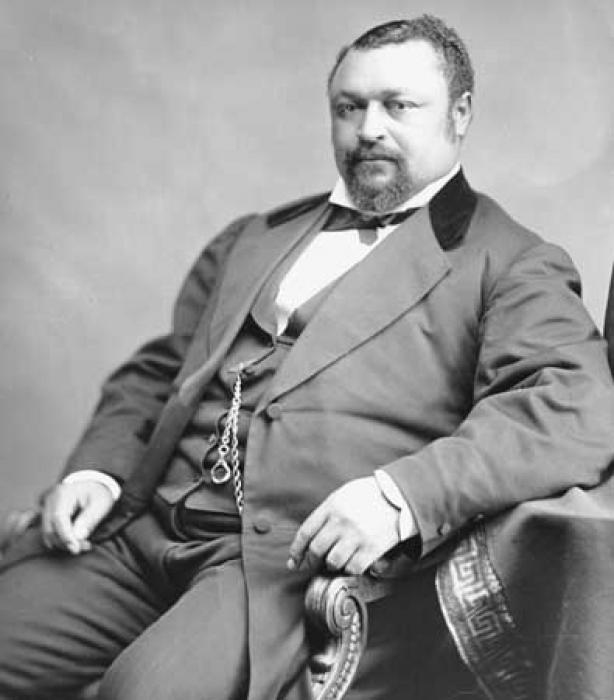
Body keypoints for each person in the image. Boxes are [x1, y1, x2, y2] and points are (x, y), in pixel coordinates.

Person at [1, 14, 614, 700]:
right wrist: (98, 469)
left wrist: (401, 497)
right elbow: (159, 370)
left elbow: (573, 407)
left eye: (398, 106)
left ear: (460, 113)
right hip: (137, 532)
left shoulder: (511, 261)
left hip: (268, 565)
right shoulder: (254, 237)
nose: (369, 128)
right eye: (350, 107)